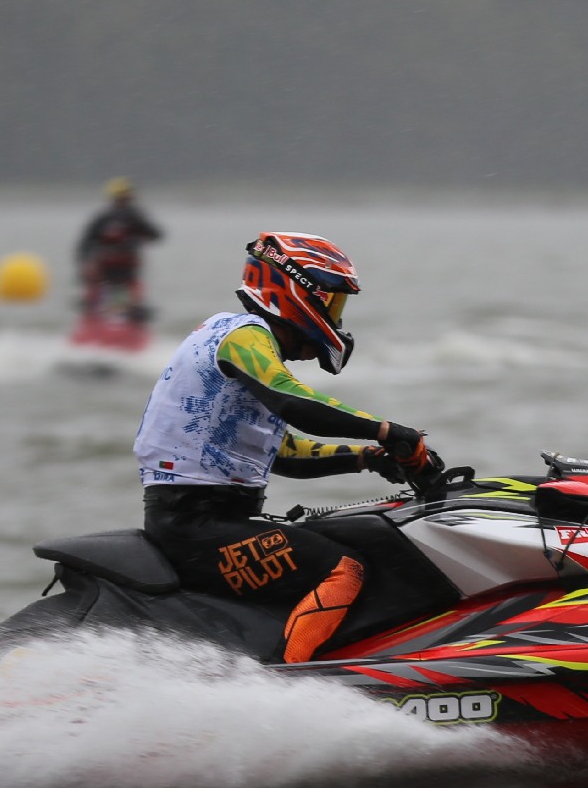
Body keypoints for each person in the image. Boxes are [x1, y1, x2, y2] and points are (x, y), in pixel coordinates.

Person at [132, 231, 442, 664]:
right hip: (193, 524)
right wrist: (388, 431)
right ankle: (288, 683)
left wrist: (367, 458)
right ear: (297, 291)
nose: (336, 317)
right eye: (332, 302)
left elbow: (283, 452)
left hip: (207, 520)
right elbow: (294, 400)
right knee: (343, 568)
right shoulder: (243, 336)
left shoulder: (235, 338)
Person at [74, 177, 162, 323]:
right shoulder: (106, 219)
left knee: (132, 299)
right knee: (96, 297)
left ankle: (129, 319)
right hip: (107, 270)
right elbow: (85, 245)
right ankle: (95, 317)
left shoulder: (134, 217)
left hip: (126, 270)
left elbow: (155, 235)